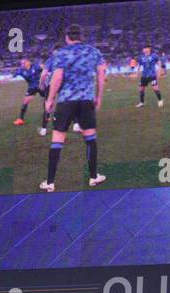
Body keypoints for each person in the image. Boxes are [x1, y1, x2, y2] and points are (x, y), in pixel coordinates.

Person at [40, 24, 107, 191]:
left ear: (67, 37)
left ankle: (50, 182)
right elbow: (101, 75)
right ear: (81, 36)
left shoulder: (61, 53)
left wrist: (50, 99)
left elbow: (57, 77)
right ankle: (93, 177)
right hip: (86, 100)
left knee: (57, 139)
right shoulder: (94, 52)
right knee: (90, 139)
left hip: (65, 101)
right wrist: (99, 97)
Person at [11, 58, 47, 131]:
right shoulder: (21, 70)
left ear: (28, 62)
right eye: (21, 63)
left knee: (46, 100)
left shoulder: (36, 66)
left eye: (24, 63)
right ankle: (21, 119)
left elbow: (45, 68)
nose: (22, 64)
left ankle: (47, 116)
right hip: (31, 88)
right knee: (25, 101)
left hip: (41, 86)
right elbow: (11, 77)